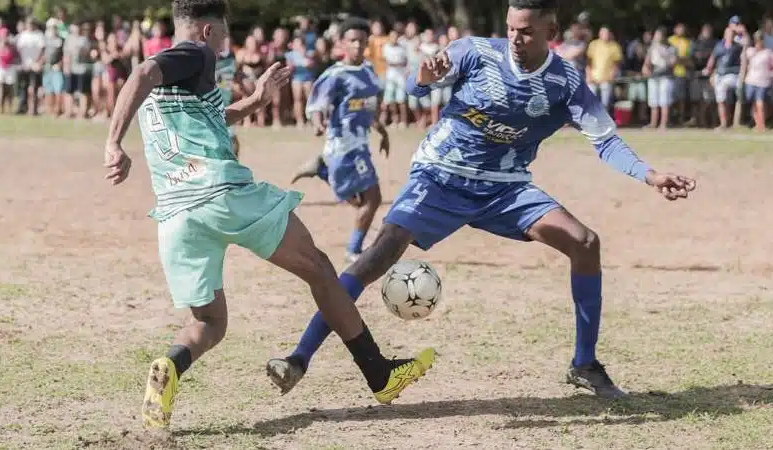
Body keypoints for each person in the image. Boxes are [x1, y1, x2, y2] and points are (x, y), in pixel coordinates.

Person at [266, 0, 696, 400]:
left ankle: (585, 364)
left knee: (584, 242)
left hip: (505, 187)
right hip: (439, 176)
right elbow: (419, 90)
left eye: (526, 31)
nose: (515, 38)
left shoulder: (565, 82)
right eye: (510, 28)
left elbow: (606, 141)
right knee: (376, 257)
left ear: (552, 29)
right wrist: (425, 77)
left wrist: (651, 175)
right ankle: (299, 357)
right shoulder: (474, 52)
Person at [102, 0, 435, 429]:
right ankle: (380, 374)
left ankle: (169, 365)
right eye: (223, 34)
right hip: (222, 194)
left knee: (209, 323)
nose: (225, 44)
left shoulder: (177, 83)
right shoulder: (195, 53)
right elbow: (142, 72)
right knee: (318, 268)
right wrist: (113, 142)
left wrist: (258, 99)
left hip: (175, 213)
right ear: (206, 32)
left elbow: (213, 117)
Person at [288, 18, 391, 263]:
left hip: (361, 143)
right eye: (352, 40)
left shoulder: (367, 71)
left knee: (362, 201)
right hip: (343, 145)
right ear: (342, 43)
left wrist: (382, 131)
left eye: (362, 41)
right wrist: (317, 123)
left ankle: (323, 170)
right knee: (371, 199)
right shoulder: (335, 75)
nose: (357, 45)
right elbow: (315, 105)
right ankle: (353, 251)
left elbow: (370, 107)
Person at [741, 30, 773, 131]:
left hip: (763, 81)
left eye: (760, 40)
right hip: (750, 80)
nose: (759, 42)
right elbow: (744, 62)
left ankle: (762, 125)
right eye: (757, 40)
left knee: (760, 103)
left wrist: (771, 75)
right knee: (753, 103)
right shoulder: (750, 51)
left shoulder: (768, 52)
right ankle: (758, 124)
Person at [215, 35, 240, 157]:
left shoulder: (230, 62)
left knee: (233, 142)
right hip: (210, 109)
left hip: (225, 108)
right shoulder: (205, 61)